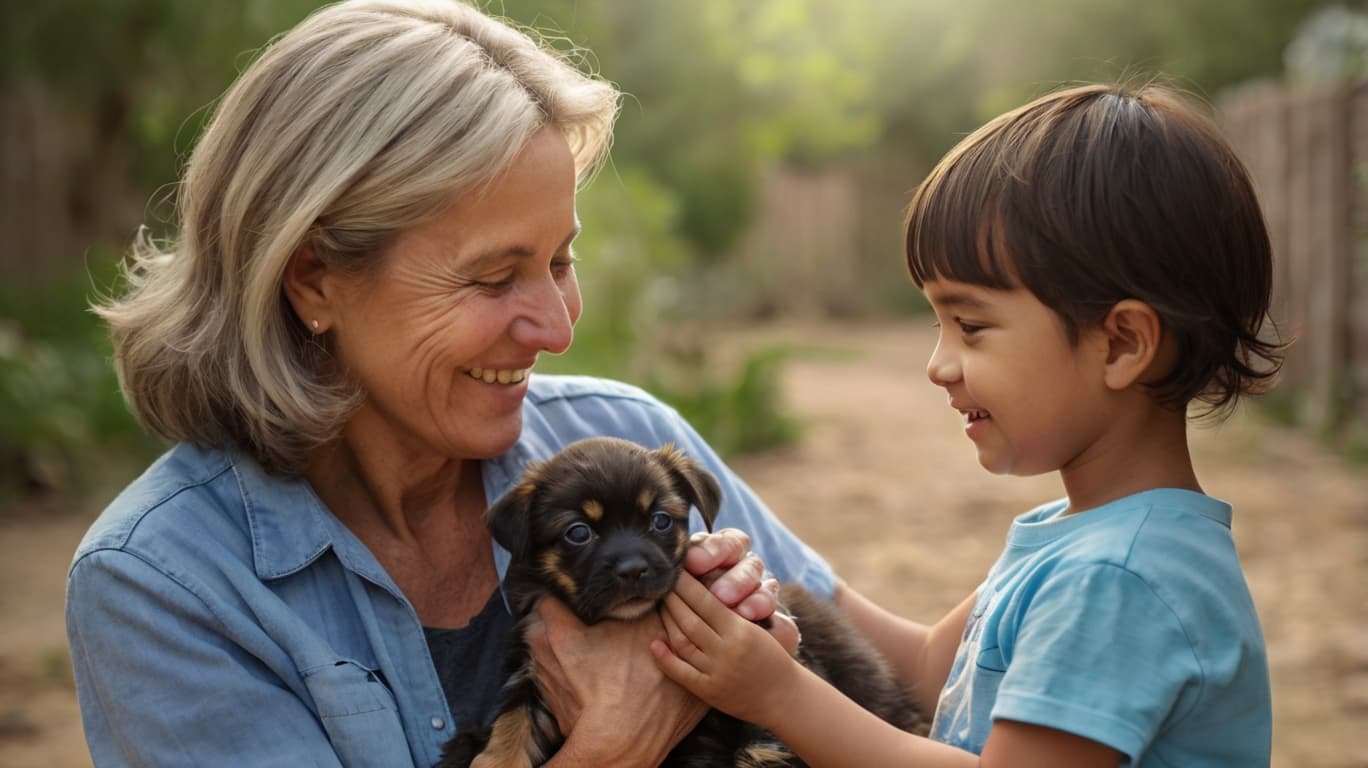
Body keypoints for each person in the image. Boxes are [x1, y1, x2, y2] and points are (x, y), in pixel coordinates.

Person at [65, 1, 835, 765]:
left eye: (560, 261)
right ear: (313, 279)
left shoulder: (620, 435)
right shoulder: (162, 587)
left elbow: (895, 688)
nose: (557, 329)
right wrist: (617, 740)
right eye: (494, 276)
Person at [652, 81, 1281, 767]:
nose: (939, 366)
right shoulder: (1082, 539)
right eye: (939, 325)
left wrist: (779, 694)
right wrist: (770, 627)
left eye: (971, 326)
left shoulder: (1118, 578)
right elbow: (930, 670)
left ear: (1122, 344)